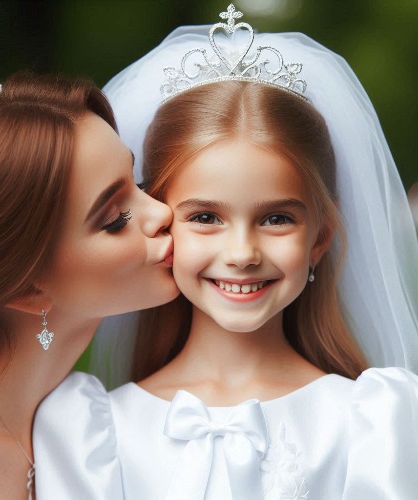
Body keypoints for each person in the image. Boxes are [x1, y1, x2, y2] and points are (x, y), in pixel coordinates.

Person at [95, 5, 418, 498]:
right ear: (162, 225)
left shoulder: (373, 422)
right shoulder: (100, 431)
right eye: (205, 217)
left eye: (276, 218)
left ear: (320, 239)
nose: (242, 252)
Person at [0, 56, 178, 499]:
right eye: (115, 218)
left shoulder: (96, 427)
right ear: (26, 287)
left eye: (139, 181)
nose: (163, 212)